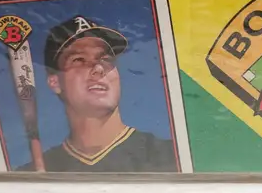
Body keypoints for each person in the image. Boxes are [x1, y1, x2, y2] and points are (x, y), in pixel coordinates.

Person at [21, 15, 178, 172]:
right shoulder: (33, 174)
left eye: (106, 59)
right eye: (79, 60)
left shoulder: (172, 156)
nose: (98, 68)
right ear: (55, 82)